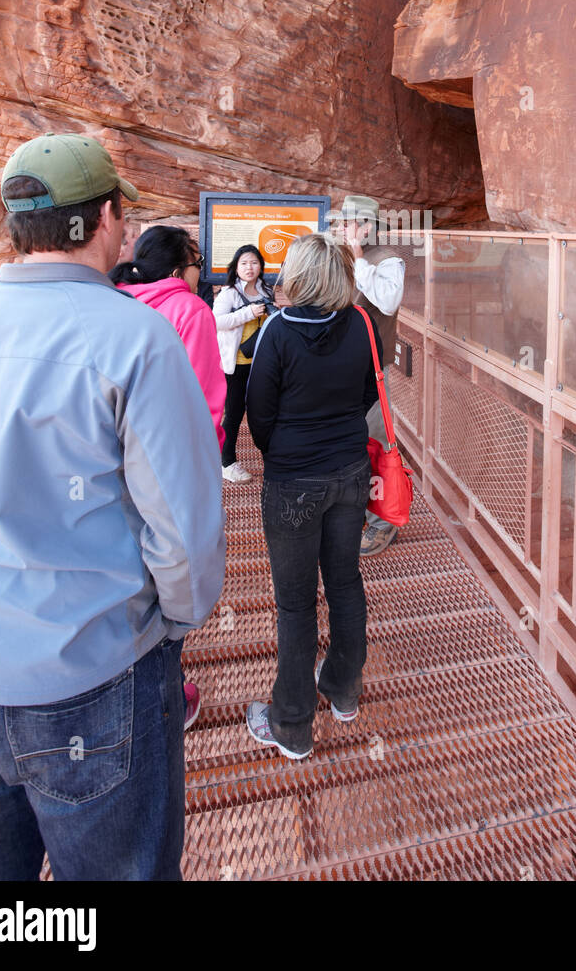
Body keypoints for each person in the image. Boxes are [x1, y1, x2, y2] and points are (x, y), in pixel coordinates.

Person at [0, 133, 225, 881]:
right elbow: (181, 531)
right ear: (103, 218)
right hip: (93, 682)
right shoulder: (137, 339)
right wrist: (175, 621)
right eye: (121, 216)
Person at [244, 233, 380, 761]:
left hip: (294, 480)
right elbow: (370, 392)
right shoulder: (363, 326)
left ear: (299, 274)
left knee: (296, 603)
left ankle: (294, 725)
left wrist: (285, 451)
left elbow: (259, 412)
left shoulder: (278, 332)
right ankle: (344, 689)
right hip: (349, 470)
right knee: (345, 580)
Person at [110, 226, 226, 455]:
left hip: (115, 442)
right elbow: (201, 393)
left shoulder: (115, 297)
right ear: (177, 272)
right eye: (198, 264)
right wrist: (207, 453)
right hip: (171, 447)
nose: (200, 273)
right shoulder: (190, 309)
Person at [337, 195, 405, 557]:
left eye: (349, 223)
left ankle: (384, 522)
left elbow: (388, 301)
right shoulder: (340, 256)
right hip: (340, 367)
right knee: (349, 442)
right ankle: (357, 507)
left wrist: (360, 258)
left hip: (372, 370)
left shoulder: (388, 260)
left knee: (377, 441)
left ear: (367, 226)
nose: (343, 229)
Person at [213, 244, 277, 484]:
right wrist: (249, 313)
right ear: (236, 267)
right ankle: (226, 462)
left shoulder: (266, 290)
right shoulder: (228, 293)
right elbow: (216, 321)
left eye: (254, 262)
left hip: (261, 362)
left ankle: (271, 457)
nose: (249, 268)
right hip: (235, 364)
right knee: (234, 414)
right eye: (244, 263)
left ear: (261, 265)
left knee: (264, 411)